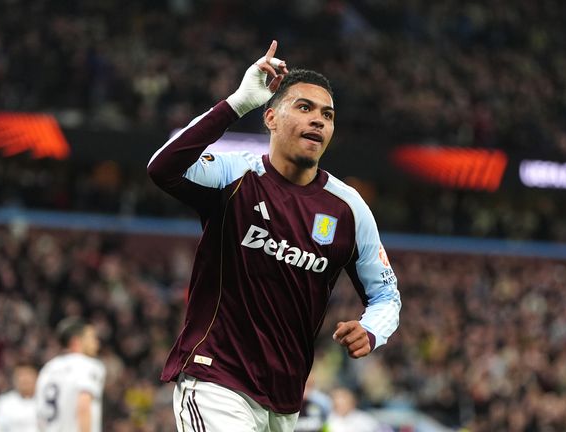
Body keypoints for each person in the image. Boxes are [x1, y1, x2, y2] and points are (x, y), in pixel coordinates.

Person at [148, 40, 401, 431]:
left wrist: (372, 329)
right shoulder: (234, 175)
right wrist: (236, 102)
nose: (318, 120)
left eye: (327, 115)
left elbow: (386, 295)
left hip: (283, 401)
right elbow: (163, 167)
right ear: (270, 118)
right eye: (304, 108)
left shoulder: (349, 208)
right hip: (215, 378)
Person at [35, 318, 106, 432]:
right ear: (76, 341)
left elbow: (39, 413)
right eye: (91, 338)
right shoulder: (89, 365)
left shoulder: (47, 369)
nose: (96, 343)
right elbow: (83, 406)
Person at [0, 362, 39, 432]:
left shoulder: (45, 400)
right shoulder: (5, 401)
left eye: (28, 375)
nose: (24, 380)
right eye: (20, 376)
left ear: (36, 376)